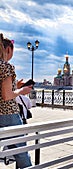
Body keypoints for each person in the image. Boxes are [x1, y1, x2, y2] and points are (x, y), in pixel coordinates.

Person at [0, 34, 32, 168]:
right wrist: (21, 91)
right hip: (8, 114)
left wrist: (15, 86)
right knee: (21, 151)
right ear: (8, 50)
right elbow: (7, 96)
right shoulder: (6, 66)